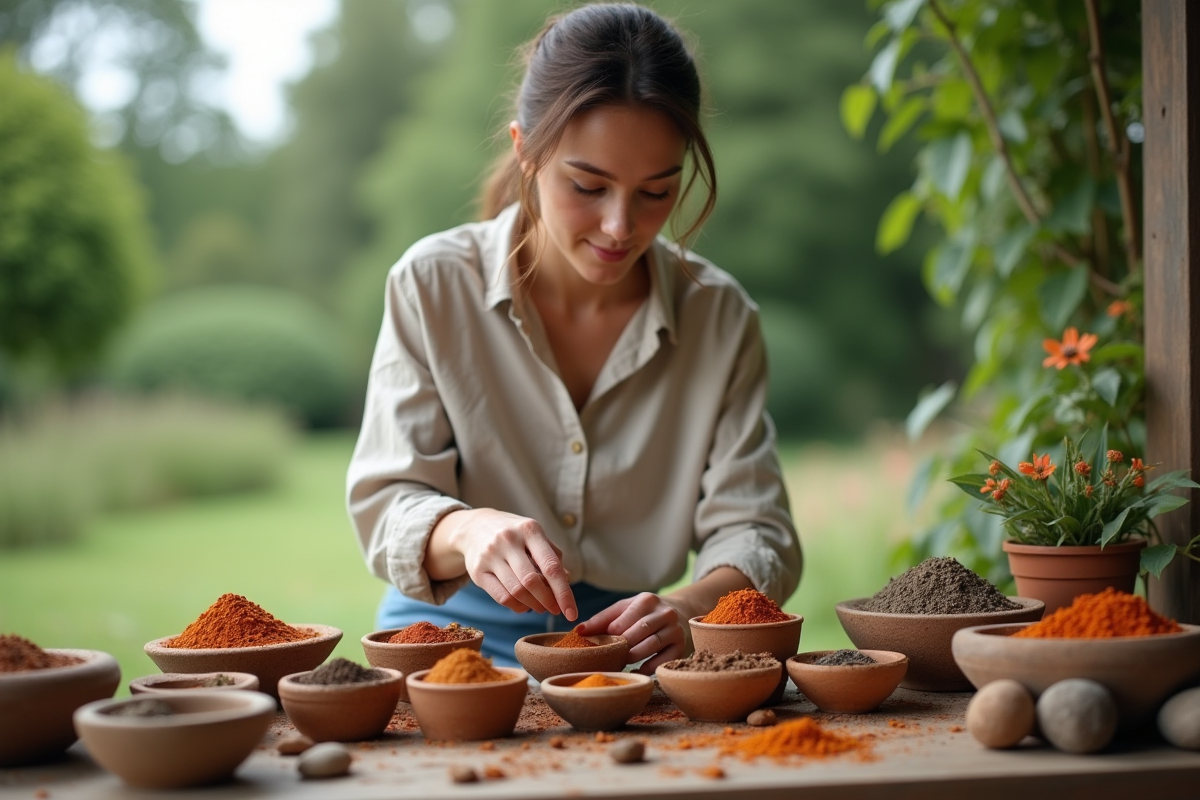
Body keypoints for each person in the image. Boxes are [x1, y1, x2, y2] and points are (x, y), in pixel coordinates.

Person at [346, 2, 801, 674]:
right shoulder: (432, 284)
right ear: (525, 150)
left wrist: (688, 607)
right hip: (447, 646)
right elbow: (388, 504)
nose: (620, 225)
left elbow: (757, 528)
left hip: (630, 652)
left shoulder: (721, 318)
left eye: (656, 191)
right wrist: (470, 531)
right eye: (588, 185)